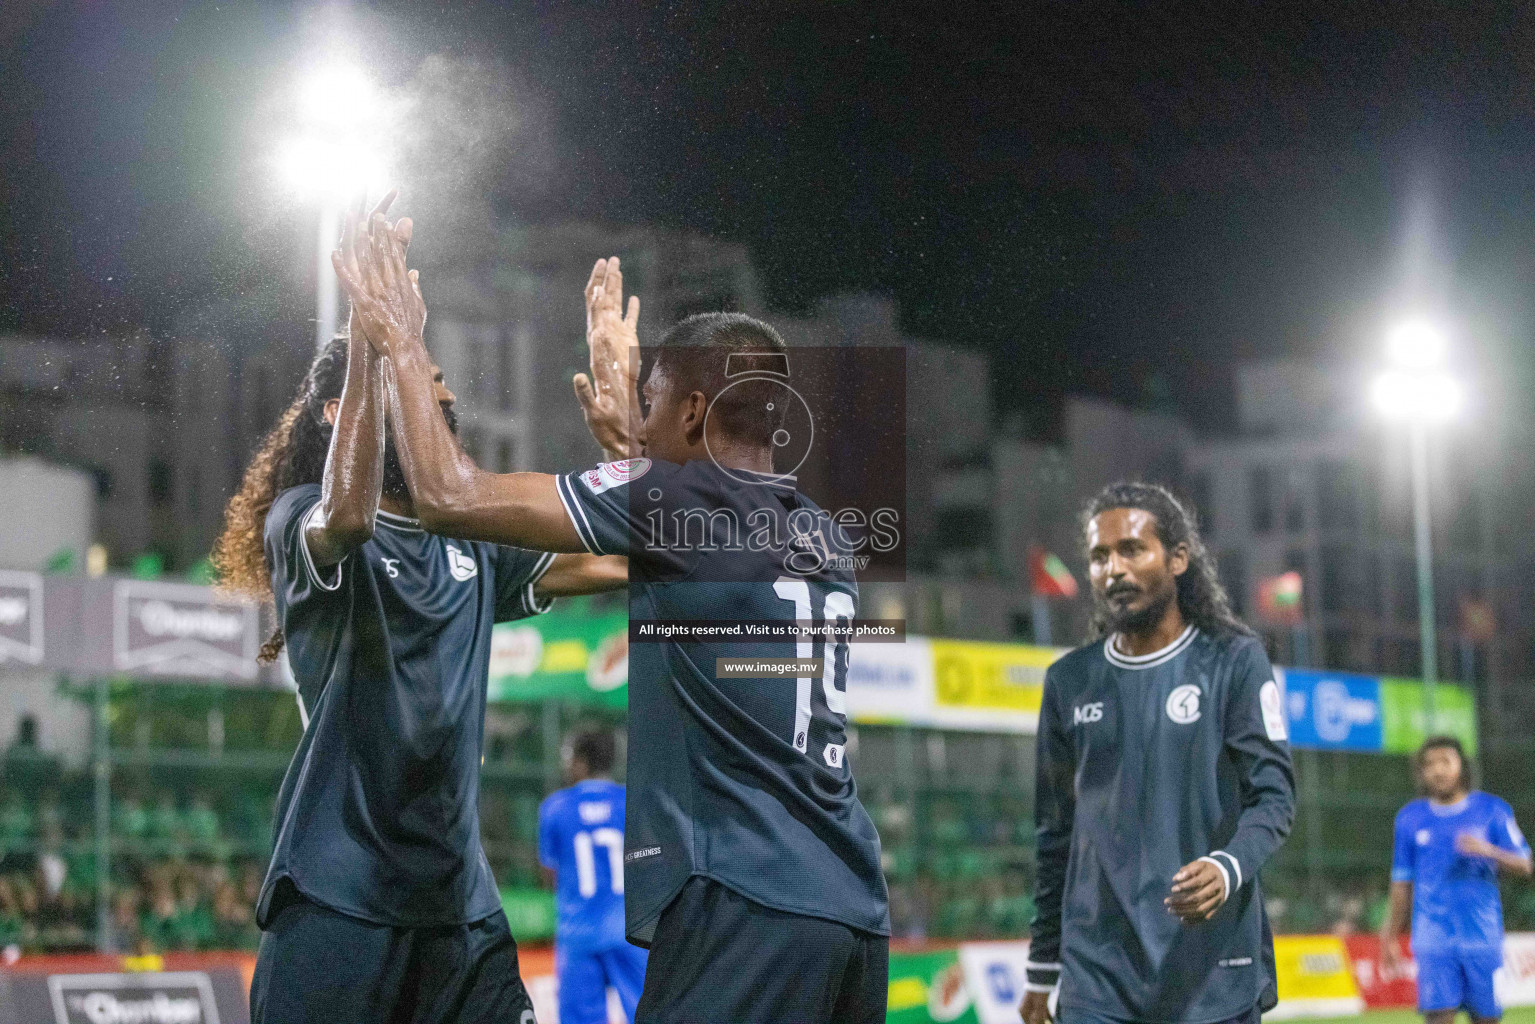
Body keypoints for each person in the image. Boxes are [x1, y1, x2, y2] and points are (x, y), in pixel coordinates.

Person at [334, 207, 891, 1024]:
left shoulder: (679, 500)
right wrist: (635, 440)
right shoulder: (820, 532)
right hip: (849, 911)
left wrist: (400, 337)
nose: (640, 411)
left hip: (743, 902)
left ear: (695, 413)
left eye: (653, 398)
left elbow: (448, 495)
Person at [213, 197, 626, 1024]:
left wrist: (630, 449)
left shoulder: (474, 544)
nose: (435, 396)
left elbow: (624, 558)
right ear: (341, 411)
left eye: (435, 384)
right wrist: (374, 342)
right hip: (338, 900)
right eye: (415, 380)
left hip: (459, 913)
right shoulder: (303, 517)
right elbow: (352, 512)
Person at [1022, 482, 1294, 1024]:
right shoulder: (1068, 682)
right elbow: (1056, 834)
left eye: (1131, 549)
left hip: (1209, 965)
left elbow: (1275, 797)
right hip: (1096, 977)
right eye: (1100, 556)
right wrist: (1041, 967)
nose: (1113, 569)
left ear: (1177, 559)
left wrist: (1227, 867)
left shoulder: (1234, 662)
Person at [1379, 735, 1532, 1024]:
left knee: (1486, 1019)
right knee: (1438, 1018)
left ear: (1462, 766)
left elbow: (1525, 864)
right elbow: (1401, 884)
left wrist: (1488, 850)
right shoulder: (1410, 819)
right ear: (1422, 772)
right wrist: (1388, 935)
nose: (1438, 770)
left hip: (1482, 938)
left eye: (1446, 761)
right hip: (1433, 939)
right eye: (1430, 764)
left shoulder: (1493, 810)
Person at [539, 729, 648, 1024]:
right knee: (650, 1012)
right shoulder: (632, 801)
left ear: (582, 761)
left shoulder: (555, 807)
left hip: (579, 933)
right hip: (631, 930)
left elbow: (550, 875)